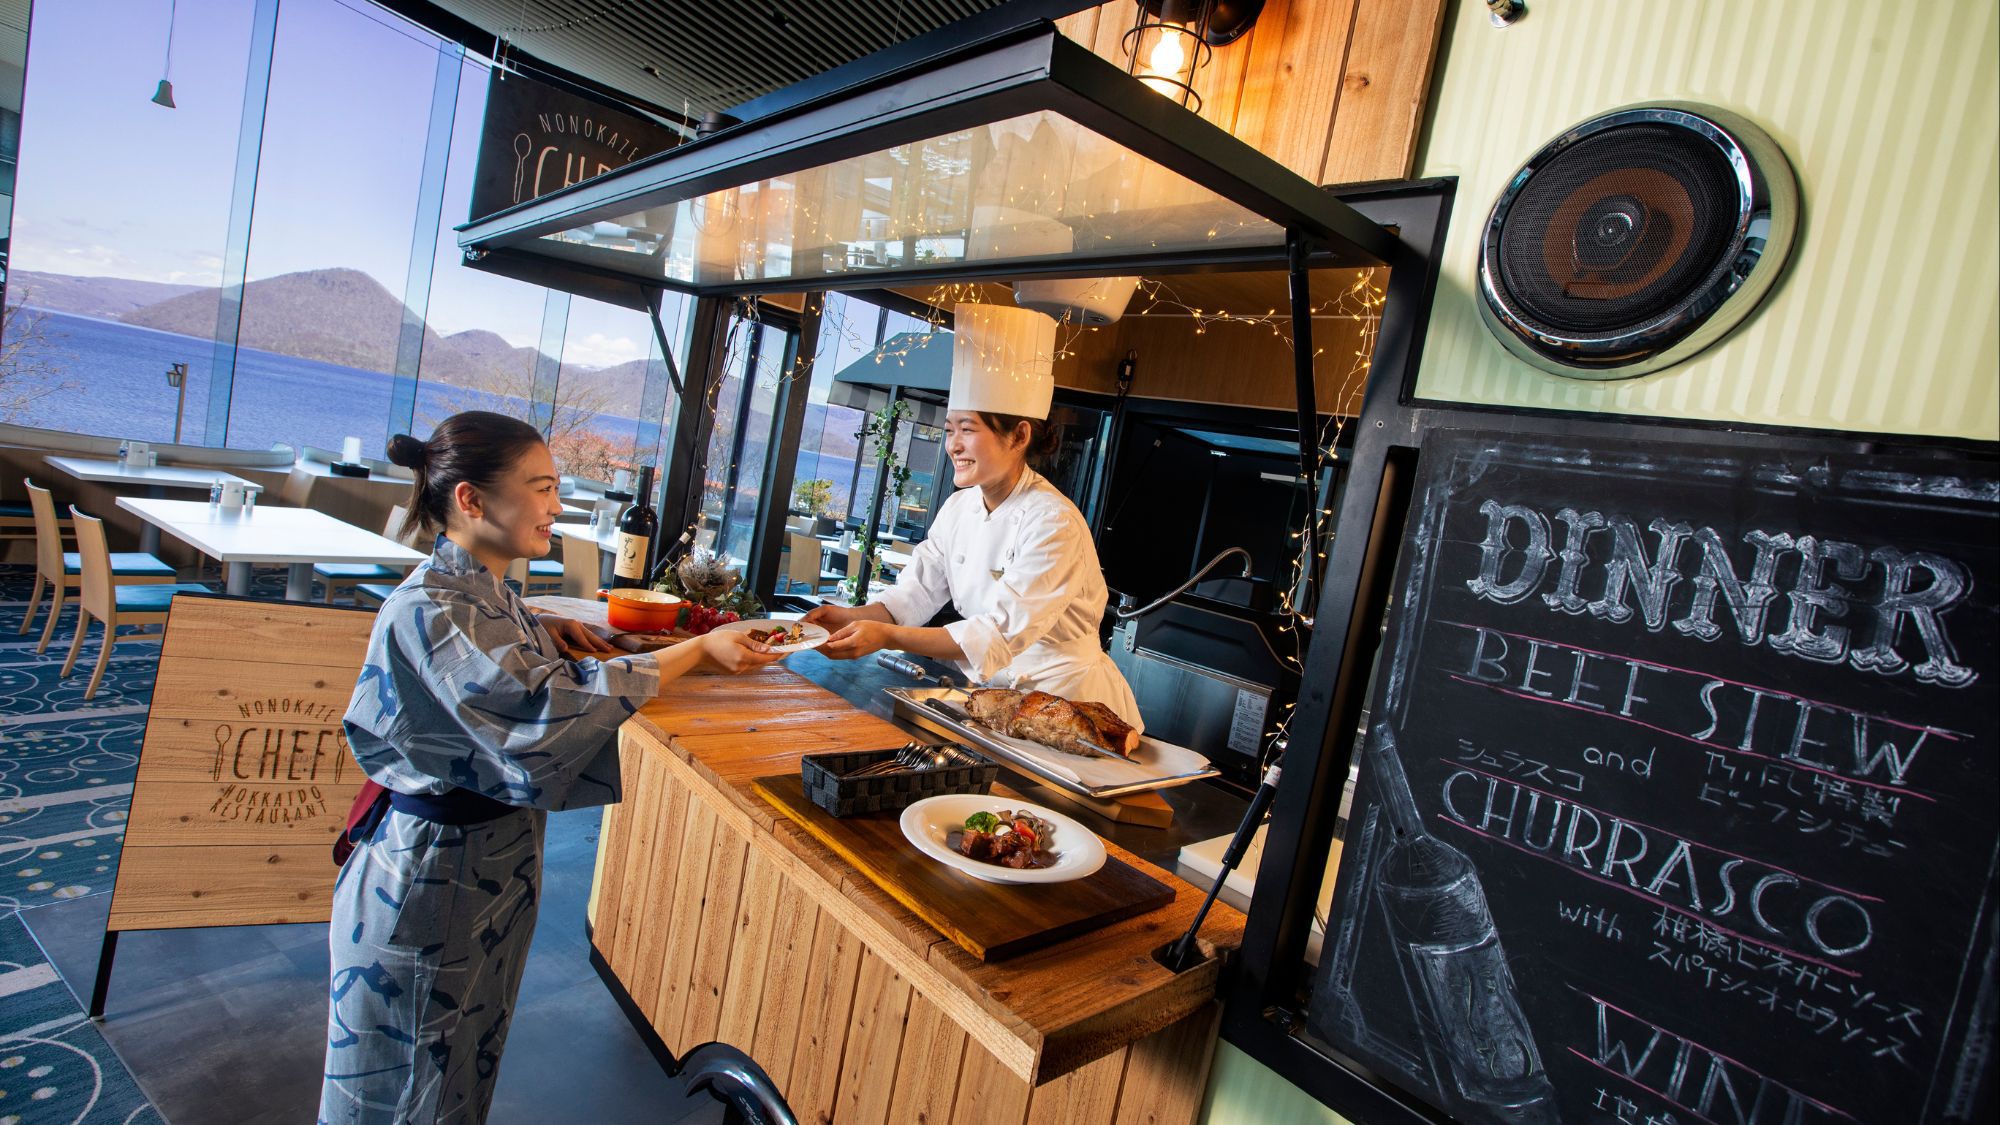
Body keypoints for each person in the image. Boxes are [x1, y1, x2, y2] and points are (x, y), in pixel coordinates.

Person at [319, 412, 780, 1124]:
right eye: (541, 488)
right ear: (471, 500)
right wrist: (695, 651)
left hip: (483, 875)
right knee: (409, 1090)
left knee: (454, 1080)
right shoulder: (429, 609)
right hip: (431, 885)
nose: (557, 507)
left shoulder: (490, 592)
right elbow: (537, 715)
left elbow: (500, 652)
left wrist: (537, 624)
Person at [805, 305, 1141, 726]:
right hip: (1000, 699)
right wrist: (852, 617)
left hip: (1072, 704)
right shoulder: (958, 507)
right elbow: (914, 595)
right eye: (949, 430)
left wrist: (885, 637)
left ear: (1019, 435)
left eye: (968, 429)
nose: (954, 445)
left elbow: (998, 633)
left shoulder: (1053, 522)